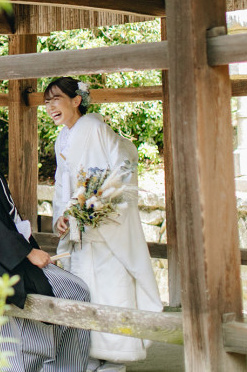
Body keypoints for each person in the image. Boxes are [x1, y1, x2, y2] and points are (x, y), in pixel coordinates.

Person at [0, 105, 91, 372]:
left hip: (6, 257)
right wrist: (27, 253)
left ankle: (61, 366)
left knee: (73, 293)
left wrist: (31, 250)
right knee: (71, 294)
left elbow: (11, 220)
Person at [46, 77, 161, 372]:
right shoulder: (64, 137)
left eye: (57, 98)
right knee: (86, 288)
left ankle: (115, 357)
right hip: (80, 227)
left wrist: (92, 205)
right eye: (47, 101)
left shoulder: (95, 128)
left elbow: (110, 171)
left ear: (76, 101)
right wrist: (62, 215)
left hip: (103, 226)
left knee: (110, 289)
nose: (50, 106)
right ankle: (90, 352)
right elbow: (63, 184)